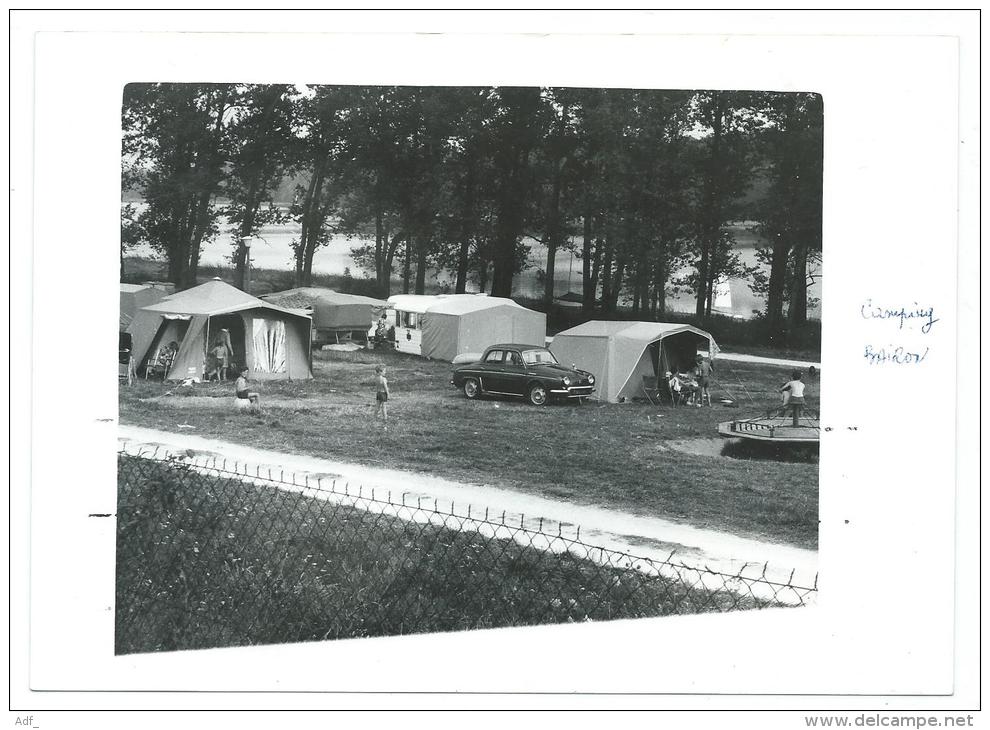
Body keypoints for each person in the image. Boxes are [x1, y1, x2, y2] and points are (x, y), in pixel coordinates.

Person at [374, 364, 390, 430]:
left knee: (377, 405)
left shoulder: (376, 378)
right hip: (383, 393)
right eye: (384, 371)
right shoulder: (383, 379)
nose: (385, 372)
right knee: (384, 407)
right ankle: (385, 418)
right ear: (380, 372)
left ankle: (375, 416)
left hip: (378, 393)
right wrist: (388, 394)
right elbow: (385, 387)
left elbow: (377, 387)